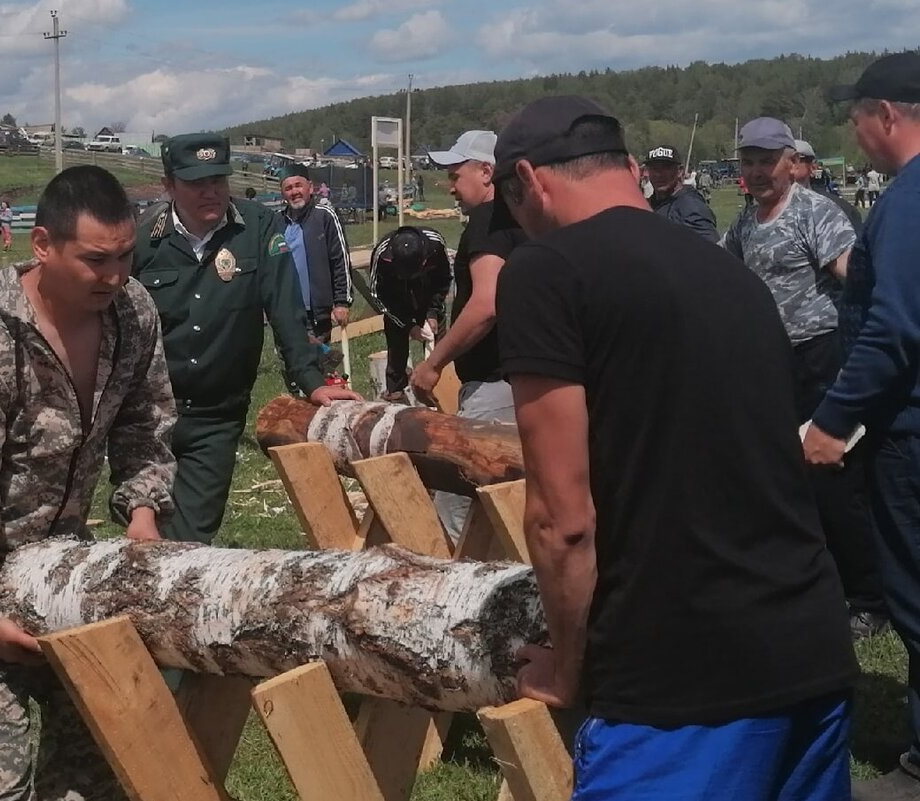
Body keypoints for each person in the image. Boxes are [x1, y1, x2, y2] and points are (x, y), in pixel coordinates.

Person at [493, 95, 857, 801]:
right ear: (629, 168)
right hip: (808, 642)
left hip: (682, 676)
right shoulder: (730, 270)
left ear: (532, 181)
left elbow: (561, 519)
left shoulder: (547, 272)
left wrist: (568, 669)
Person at [0, 165, 175, 801]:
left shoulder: (132, 312)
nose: (113, 275)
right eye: (96, 259)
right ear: (43, 246)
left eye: (125, 255)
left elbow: (146, 420)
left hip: (63, 570)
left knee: (92, 770)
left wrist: (141, 507)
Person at [134, 133, 358, 544]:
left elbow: (285, 309)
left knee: (190, 538)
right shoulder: (144, 239)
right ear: (169, 185)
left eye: (218, 180)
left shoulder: (257, 227)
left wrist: (311, 381)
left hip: (215, 417)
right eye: (197, 183)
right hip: (149, 415)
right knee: (144, 533)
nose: (211, 192)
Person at [804, 51, 920, 800]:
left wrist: (832, 419)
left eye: (856, 117)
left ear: (887, 115)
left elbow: (896, 327)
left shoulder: (908, 199)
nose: (856, 129)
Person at [723, 117, 886, 639]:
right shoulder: (746, 223)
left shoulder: (815, 212)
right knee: (789, 480)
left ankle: (869, 599)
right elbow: (725, 281)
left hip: (823, 357)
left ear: (791, 163)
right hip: (773, 365)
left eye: (766, 161)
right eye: (747, 162)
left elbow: (854, 279)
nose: (756, 171)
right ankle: (821, 586)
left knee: (835, 480)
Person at [413, 130, 527, 537]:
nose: (451, 186)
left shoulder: (488, 218)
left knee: (462, 500)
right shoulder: (526, 217)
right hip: (523, 379)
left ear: (485, 172)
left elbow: (486, 303)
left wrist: (432, 364)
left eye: (455, 174)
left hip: (494, 385)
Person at [367, 225, 451, 400]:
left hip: (428, 297)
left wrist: (433, 312)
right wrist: (407, 325)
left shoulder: (435, 245)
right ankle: (396, 395)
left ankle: (443, 395)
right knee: (396, 351)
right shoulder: (382, 255)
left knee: (440, 350)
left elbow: (443, 280)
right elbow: (377, 295)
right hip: (397, 303)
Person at [279, 163, 352, 345]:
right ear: (283, 194)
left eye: (298, 185)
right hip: (288, 311)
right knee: (291, 365)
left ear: (310, 188)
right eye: (288, 188)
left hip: (316, 313)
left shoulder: (324, 216)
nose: (294, 192)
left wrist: (342, 301)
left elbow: (340, 259)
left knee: (317, 365)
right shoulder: (277, 223)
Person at [643, 145, 718, 241]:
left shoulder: (690, 206)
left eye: (666, 168)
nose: (659, 174)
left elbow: (711, 250)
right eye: (654, 168)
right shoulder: (649, 203)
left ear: (680, 171)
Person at [795, 139, 864, 235]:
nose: (786, 165)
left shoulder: (839, 210)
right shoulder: (769, 213)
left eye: (795, 160)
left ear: (812, 167)